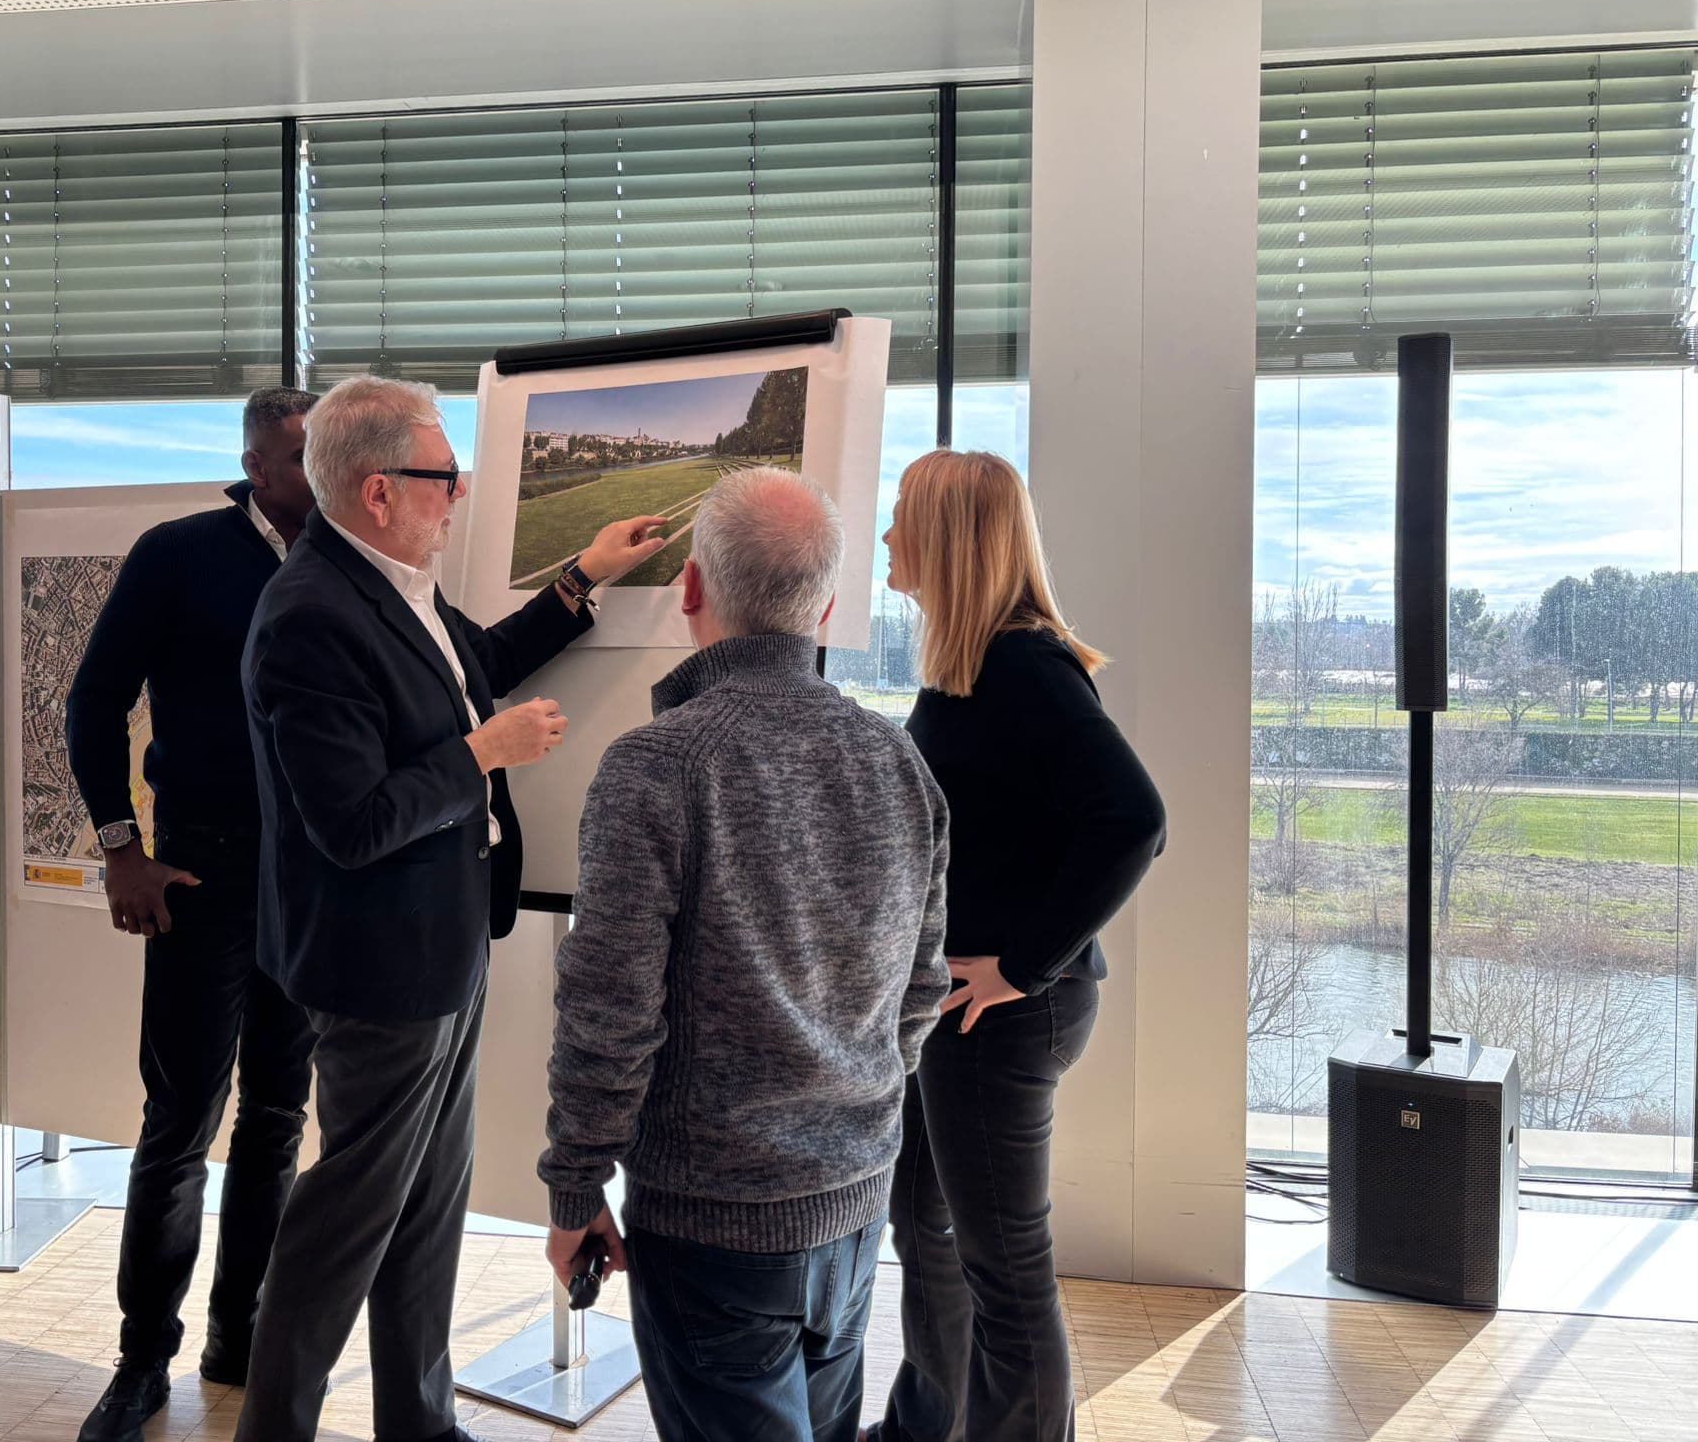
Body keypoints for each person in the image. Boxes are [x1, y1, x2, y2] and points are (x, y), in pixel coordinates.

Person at [234, 375, 669, 1442]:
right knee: (344, 1225)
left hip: (443, 941)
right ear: (378, 490)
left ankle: (419, 1424)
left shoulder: (391, 582)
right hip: (379, 968)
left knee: (428, 1205)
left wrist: (584, 576)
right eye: (444, 476)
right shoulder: (309, 615)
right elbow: (350, 823)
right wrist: (482, 754)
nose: (461, 493)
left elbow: (481, 665)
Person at [540, 466, 952, 1442]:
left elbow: (609, 1009)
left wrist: (574, 1187)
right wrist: (851, 1111)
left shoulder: (657, 765)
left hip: (710, 1221)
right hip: (853, 1205)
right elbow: (921, 983)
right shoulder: (895, 759)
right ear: (827, 606)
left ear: (690, 587)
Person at [866, 449, 1166, 1442]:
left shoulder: (1022, 665)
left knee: (1002, 1262)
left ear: (948, 540)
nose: (886, 537)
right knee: (923, 1226)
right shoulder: (970, 666)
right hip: (953, 1011)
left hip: (1003, 1014)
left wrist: (1022, 965)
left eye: (901, 517)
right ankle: (926, 1427)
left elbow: (1133, 820)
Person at [64, 388, 323, 1442]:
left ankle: (236, 1336)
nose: (330, 473)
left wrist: (576, 585)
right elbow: (92, 701)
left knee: (276, 1118)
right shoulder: (178, 553)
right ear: (257, 466)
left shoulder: (349, 560)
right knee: (177, 1125)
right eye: (306, 456)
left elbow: (463, 656)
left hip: (307, 884)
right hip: (199, 877)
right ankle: (141, 1364)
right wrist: (120, 849)